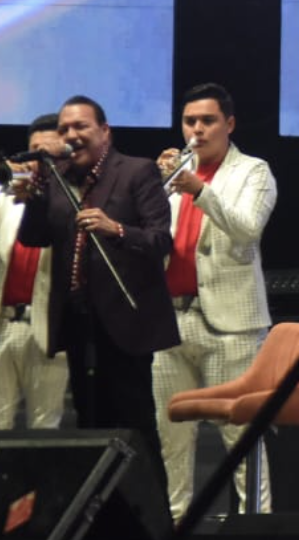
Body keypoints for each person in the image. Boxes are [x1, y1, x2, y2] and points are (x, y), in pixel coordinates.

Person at [15, 95, 178, 515]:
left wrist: (116, 228)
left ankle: (156, 520)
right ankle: (98, 518)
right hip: (77, 320)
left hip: (126, 324)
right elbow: (33, 238)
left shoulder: (136, 171)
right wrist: (33, 192)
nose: (71, 136)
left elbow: (161, 239)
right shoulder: (56, 178)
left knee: (134, 427)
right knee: (88, 425)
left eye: (81, 127)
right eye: (65, 129)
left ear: (105, 132)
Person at [151, 83, 278, 522]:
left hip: (231, 325)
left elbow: (247, 229)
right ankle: (174, 535)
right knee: (172, 440)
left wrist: (198, 190)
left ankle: (256, 533)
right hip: (171, 319)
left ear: (229, 124)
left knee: (241, 440)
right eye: (190, 122)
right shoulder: (172, 175)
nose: (197, 130)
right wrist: (154, 186)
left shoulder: (253, 171)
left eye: (207, 121)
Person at [0, 113, 70, 430]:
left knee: (44, 426)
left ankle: (41, 483)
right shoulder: (7, 197)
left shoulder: (73, 198)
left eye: (45, 155)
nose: (36, 162)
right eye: (32, 152)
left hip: (46, 328)